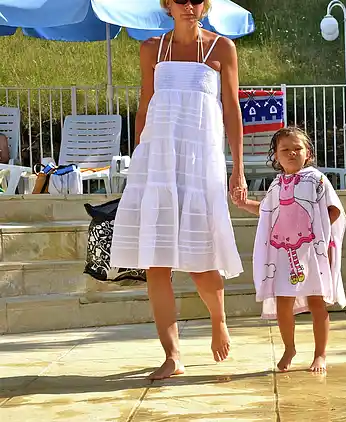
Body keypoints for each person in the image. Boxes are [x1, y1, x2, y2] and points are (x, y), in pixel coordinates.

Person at [110, 0, 247, 380]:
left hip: (200, 161)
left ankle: (218, 319)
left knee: (201, 259)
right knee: (156, 261)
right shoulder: (151, 48)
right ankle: (172, 356)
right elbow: (144, 102)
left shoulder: (222, 48)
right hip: (157, 159)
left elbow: (231, 108)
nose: (189, 5)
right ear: (167, 4)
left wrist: (238, 169)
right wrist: (140, 155)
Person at [233, 127, 346, 373]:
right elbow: (267, 211)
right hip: (285, 253)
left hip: (311, 253)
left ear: (309, 153)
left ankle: (320, 354)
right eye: (285, 150)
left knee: (317, 302)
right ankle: (289, 347)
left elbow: (334, 210)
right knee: (284, 301)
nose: (292, 153)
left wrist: (319, 239)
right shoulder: (276, 184)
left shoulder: (316, 179)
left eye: (298, 149)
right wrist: (243, 204)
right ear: (275, 156)